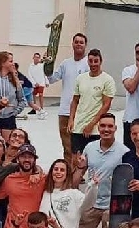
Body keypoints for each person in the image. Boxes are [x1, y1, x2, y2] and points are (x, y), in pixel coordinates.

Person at [74, 113, 129, 228]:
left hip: (111, 208)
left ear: (115, 128)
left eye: (110, 126)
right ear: (98, 127)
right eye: (103, 126)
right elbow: (76, 180)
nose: (106, 129)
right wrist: (79, 167)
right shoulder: (89, 148)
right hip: (91, 204)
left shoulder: (124, 152)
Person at [48, 33, 90, 165]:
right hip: (65, 111)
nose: (78, 44)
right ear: (72, 44)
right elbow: (51, 78)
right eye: (76, 42)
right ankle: (68, 174)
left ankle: (78, 173)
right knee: (67, 146)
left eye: (81, 42)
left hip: (82, 112)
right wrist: (47, 65)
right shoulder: (66, 63)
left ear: (85, 45)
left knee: (80, 146)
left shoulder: (89, 63)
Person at [68, 49, 116, 164]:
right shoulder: (80, 78)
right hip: (78, 126)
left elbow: (106, 105)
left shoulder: (107, 80)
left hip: (95, 129)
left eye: (96, 61)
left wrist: (91, 124)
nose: (93, 64)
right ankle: (75, 181)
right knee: (76, 158)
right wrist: (71, 120)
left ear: (100, 61)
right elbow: (75, 101)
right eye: (91, 61)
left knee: (95, 159)